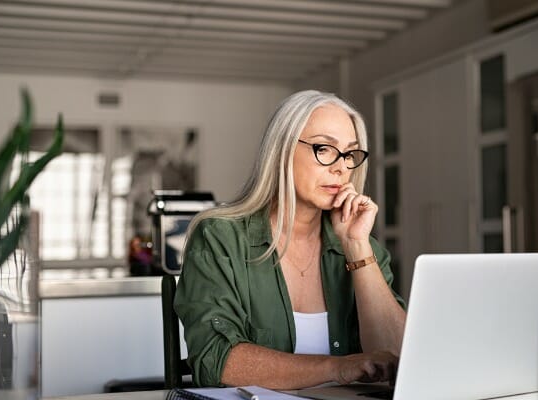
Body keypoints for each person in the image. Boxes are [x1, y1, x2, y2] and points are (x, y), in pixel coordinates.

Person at [174, 90, 406, 390]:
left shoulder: (362, 247)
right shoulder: (220, 238)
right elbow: (216, 361)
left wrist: (357, 248)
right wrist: (338, 368)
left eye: (350, 154)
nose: (342, 167)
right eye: (324, 148)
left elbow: (401, 359)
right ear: (282, 150)